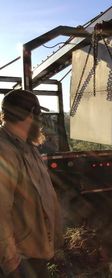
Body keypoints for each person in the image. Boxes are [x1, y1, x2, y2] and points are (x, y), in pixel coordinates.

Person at [0, 89, 63, 277]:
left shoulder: (27, 146)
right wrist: (10, 261)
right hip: (20, 261)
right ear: (30, 114)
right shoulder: (4, 151)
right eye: (38, 114)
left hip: (34, 253)